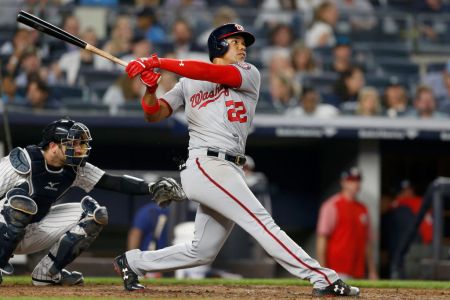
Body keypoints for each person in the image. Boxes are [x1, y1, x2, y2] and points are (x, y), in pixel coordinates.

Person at [113, 23, 360, 297]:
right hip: (206, 163)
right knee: (263, 223)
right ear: (218, 45)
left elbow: (208, 71)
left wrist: (158, 61)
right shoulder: (187, 83)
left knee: (202, 251)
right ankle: (322, 277)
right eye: (236, 41)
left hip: (228, 167)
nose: (243, 47)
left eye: (244, 42)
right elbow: (154, 114)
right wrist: (150, 90)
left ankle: (133, 262)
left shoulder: (248, 73)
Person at [0, 117, 185, 285]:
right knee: (20, 203)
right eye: (73, 144)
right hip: (4, 226)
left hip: (32, 232)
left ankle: (47, 274)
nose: (80, 149)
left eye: (81, 143)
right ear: (53, 146)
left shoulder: (74, 168)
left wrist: (151, 187)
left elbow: (114, 182)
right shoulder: (23, 162)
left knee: (94, 214)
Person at [316, 167, 378, 280]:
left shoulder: (363, 208)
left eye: (357, 180)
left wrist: (372, 271)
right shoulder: (332, 205)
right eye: (351, 180)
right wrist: (323, 270)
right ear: (343, 182)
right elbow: (322, 238)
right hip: (337, 269)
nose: (355, 184)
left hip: (358, 270)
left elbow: (367, 242)